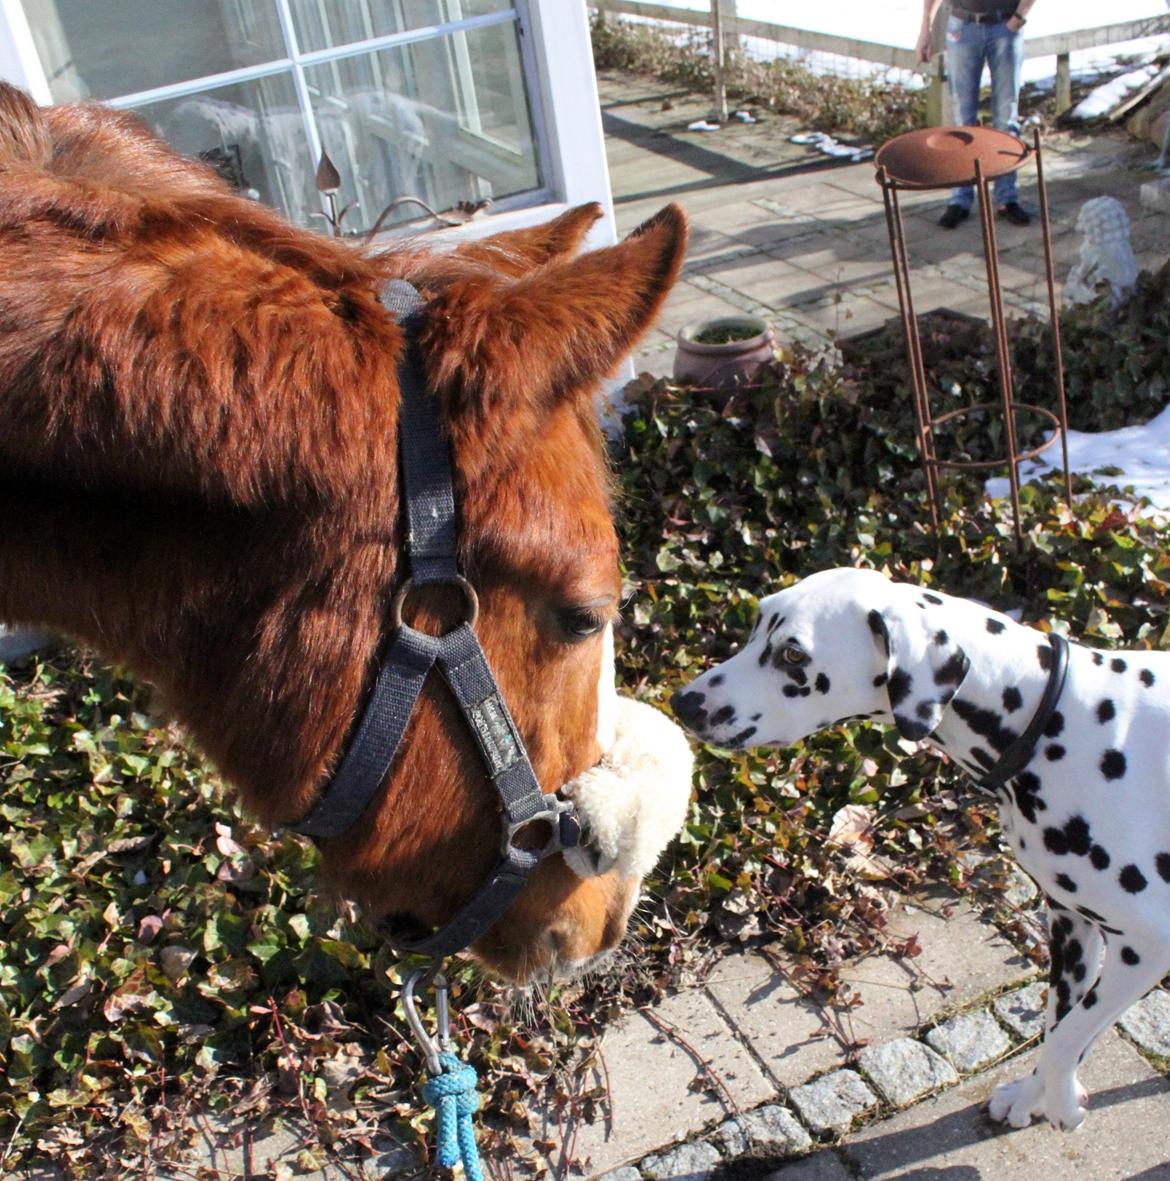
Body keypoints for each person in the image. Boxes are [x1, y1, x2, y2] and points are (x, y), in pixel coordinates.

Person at [917, 0, 1036, 228]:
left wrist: (1019, 17)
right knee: (963, 123)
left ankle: (1006, 198)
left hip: (1005, 27)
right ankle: (960, 199)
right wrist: (926, 29)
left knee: (1006, 119)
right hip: (963, 27)